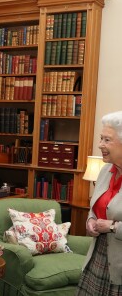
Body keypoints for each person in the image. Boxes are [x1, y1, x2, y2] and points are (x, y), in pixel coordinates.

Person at [76, 111, 122, 295]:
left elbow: (111, 221)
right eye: (101, 138)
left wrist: (112, 227)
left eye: (107, 140)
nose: (100, 145)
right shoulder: (104, 171)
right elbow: (95, 208)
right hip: (98, 256)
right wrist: (90, 221)